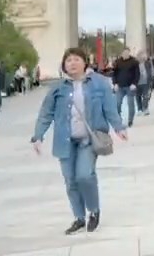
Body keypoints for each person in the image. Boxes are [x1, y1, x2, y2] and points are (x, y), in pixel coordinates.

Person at [31, 47, 128, 235]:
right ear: (64, 65)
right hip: (65, 140)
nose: (72, 63)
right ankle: (79, 217)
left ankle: (93, 210)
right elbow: (46, 113)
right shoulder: (58, 88)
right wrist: (38, 135)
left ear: (85, 62)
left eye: (76, 59)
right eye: (68, 60)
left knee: (84, 175)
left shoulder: (99, 83)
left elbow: (110, 108)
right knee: (70, 181)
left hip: (89, 140)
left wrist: (118, 127)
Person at [110, 48, 140, 127]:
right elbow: (114, 74)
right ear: (122, 53)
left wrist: (134, 84)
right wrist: (115, 83)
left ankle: (130, 120)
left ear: (129, 53)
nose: (125, 54)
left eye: (127, 53)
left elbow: (137, 74)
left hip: (130, 86)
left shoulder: (134, 62)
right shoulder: (118, 62)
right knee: (117, 103)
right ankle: (118, 118)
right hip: (120, 86)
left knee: (130, 104)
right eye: (124, 53)